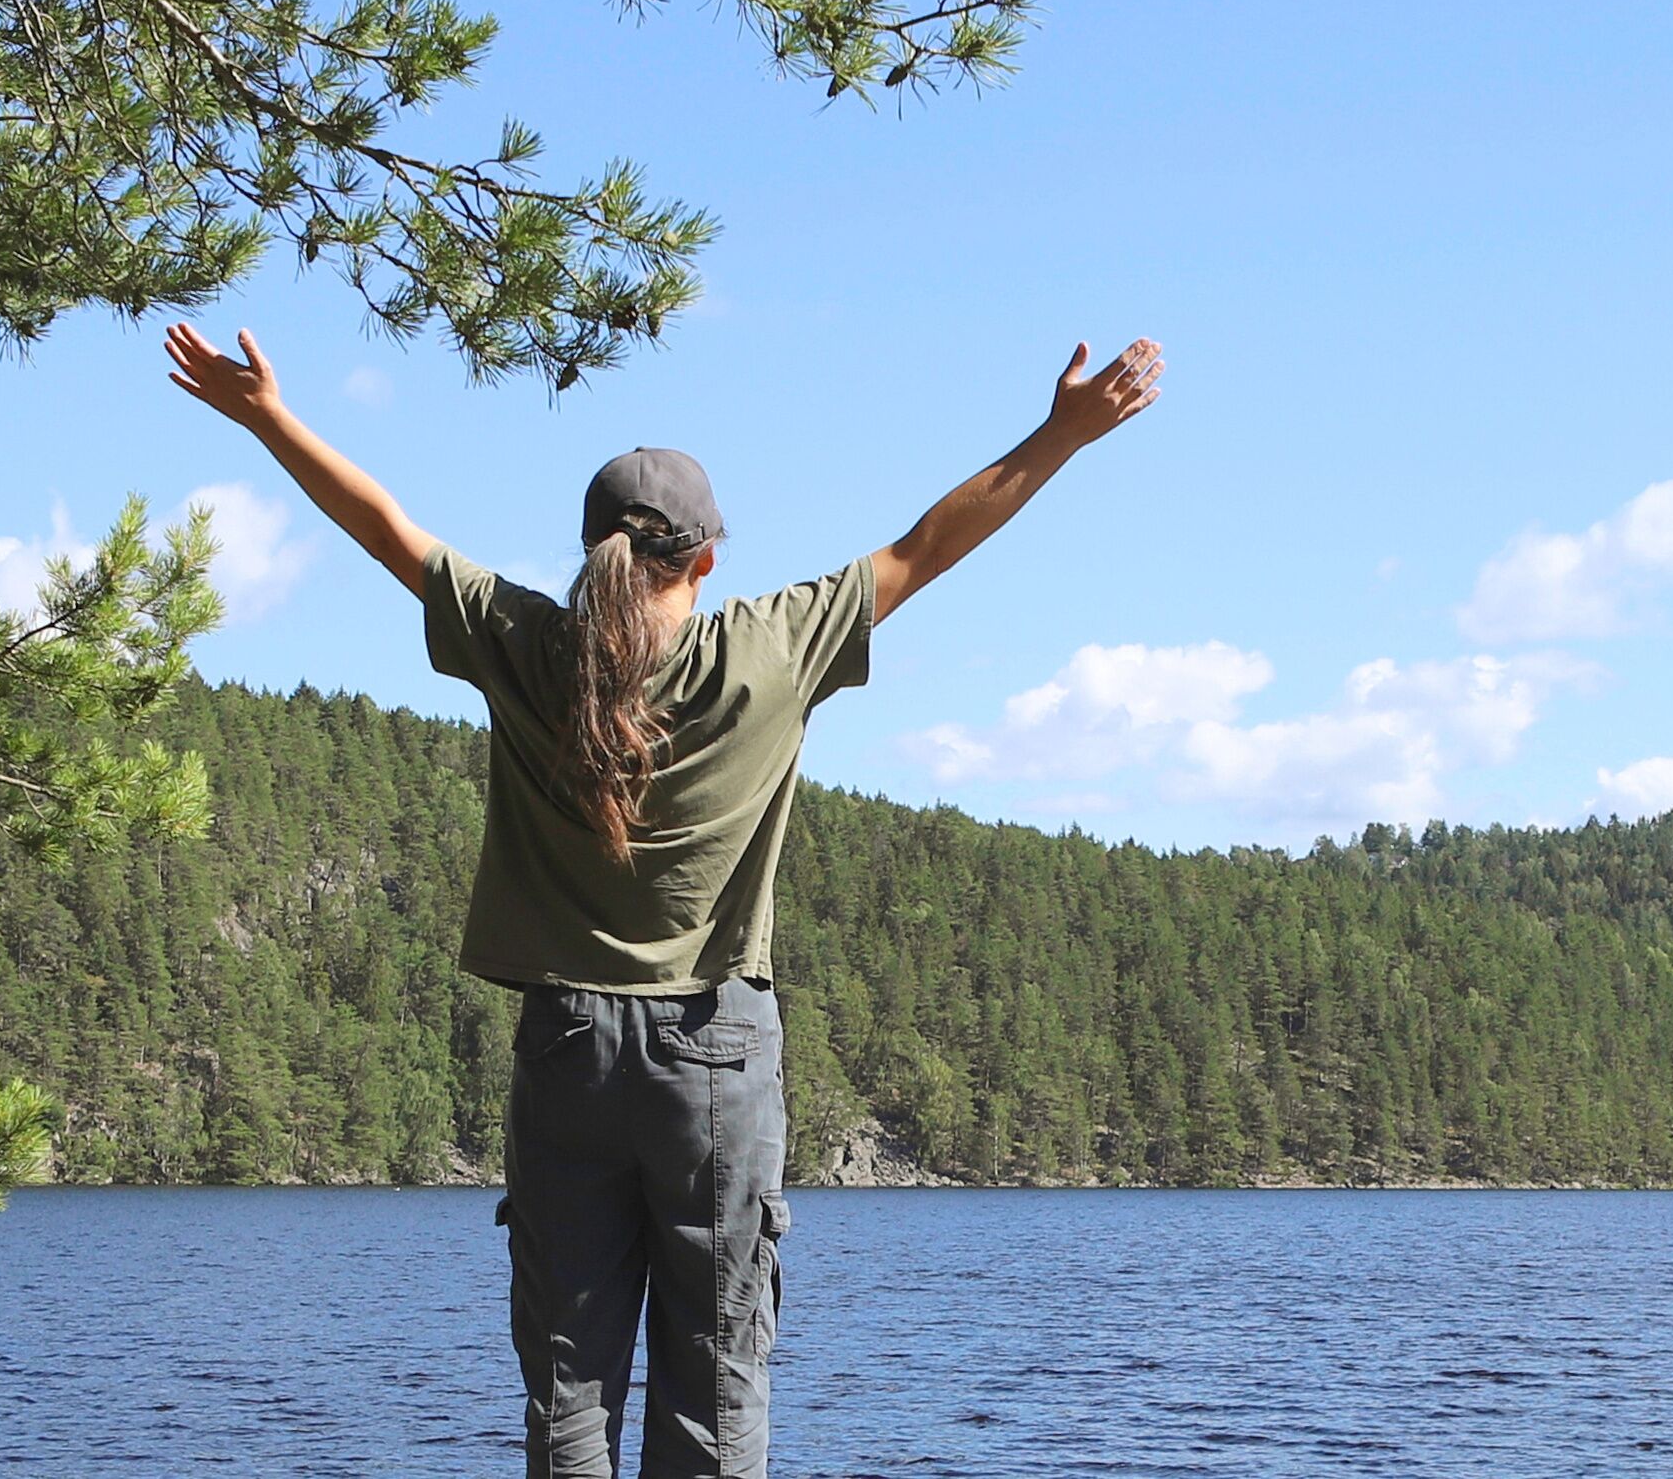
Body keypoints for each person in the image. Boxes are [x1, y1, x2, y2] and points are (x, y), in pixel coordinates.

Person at [163, 322, 1165, 1479]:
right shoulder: (769, 649)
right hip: (716, 1053)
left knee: (569, 1386)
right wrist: (1066, 432)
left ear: (590, 549)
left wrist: (266, 417)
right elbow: (927, 545)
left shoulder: (530, 647)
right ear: (704, 562)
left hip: (567, 1052)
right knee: (715, 1377)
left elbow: (390, 532)